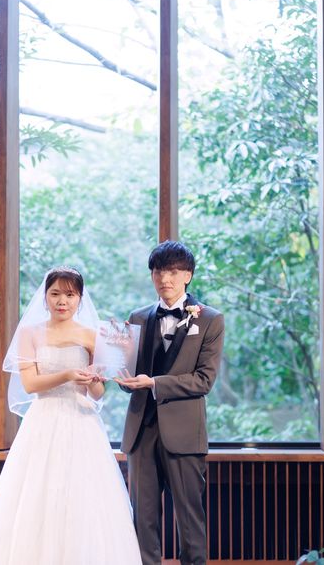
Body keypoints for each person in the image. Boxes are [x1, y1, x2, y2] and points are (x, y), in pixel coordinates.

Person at [0, 266, 142, 565]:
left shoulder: (92, 335)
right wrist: (67, 374)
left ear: (80, 298)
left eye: (70, 294)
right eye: (55, 294)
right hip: (44, 419)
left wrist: (93, 380)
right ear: (45, 297)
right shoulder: (30, 333)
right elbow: (30, 384)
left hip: (82, 421)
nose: (62, 301)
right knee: (38, 493)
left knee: (83, 496)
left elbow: (97, 393)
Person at [115, 241, 224, 565]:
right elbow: (128, 380)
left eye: (174, 271)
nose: (165, 278)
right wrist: (117, 366)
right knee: (142, 520)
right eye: (159, 271)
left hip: (185, 434)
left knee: (190, 520)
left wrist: (155, 383)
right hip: (141, 432)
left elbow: (203, 380)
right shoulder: (137, 318)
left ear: (187, 275)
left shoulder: (210, 319)